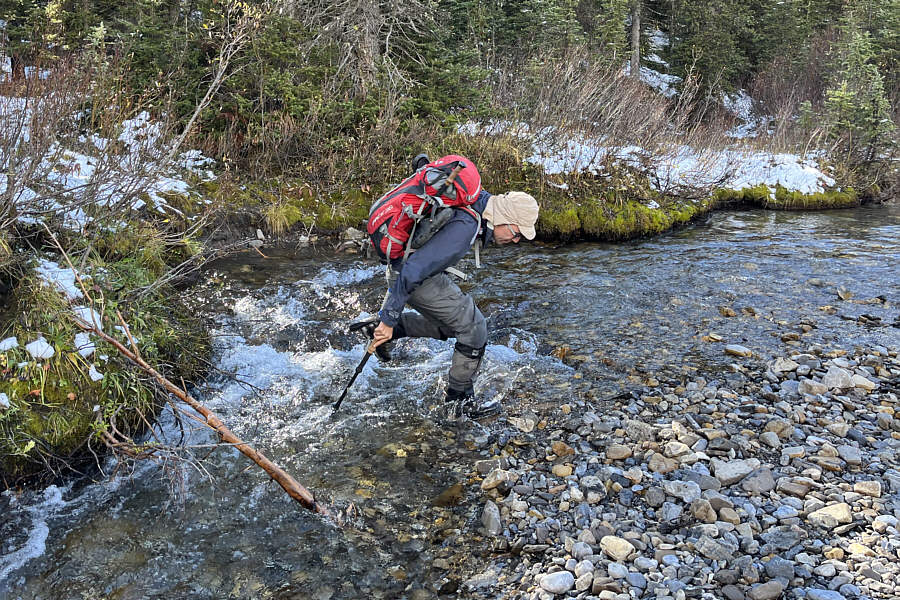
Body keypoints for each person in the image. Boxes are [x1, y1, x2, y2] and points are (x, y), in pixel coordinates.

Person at [362, 179, 540, 419]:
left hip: (412, 271)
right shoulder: (466, 226)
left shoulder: (477, 201)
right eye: (517, 233)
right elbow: (413, 271)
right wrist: (388, 317)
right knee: (474, 328)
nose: (516, 240)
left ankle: (393, 329)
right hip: (412, 277)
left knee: (453, 324)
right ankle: (458, 404)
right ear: (503, 218)